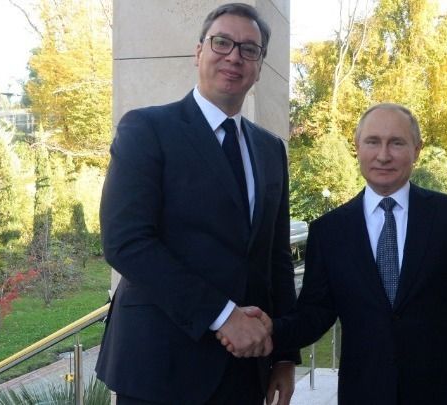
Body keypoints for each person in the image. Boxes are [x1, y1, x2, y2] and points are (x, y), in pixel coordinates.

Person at [227, 103, 447, 404]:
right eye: (373, 142)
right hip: (364, 394)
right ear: (357, 147)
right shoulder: (329, 231)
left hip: (446, 395)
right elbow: (315, 314)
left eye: (396, 143)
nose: (383, 155)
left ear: (417, 150)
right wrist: (272, 329)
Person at [95, 3, 298, 404]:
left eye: (249, 49)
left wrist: (284, 354)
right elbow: (126, 242)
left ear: (259, 66)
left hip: (244, 371)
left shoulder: (270, 149)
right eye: (222, 42)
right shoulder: (147, 129)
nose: (234, 57)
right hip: (160, 367)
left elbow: (276, 259)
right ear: (199, 51)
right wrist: (223, 315)